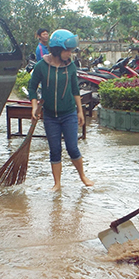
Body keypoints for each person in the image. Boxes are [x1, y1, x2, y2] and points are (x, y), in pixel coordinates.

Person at [28, 29, 94, 192]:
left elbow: (75, 90)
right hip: (50, 116)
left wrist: (80, 111)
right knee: (55, 150)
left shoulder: (70, 67)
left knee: (72, 148)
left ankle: (83, 176)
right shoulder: (41, 66)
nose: (70, 54)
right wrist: (34, 106)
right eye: (67, 50)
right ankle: (57, 184)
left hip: (69, 114)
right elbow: (32, 87)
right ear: (57, 50)